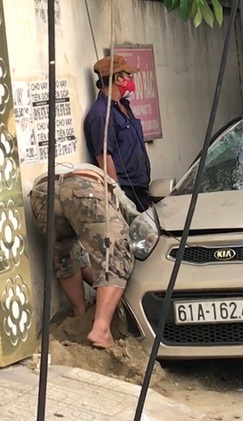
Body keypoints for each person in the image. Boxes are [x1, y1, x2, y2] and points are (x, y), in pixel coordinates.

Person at [29, 163, 137, 348]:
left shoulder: (72, 169)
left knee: (65, 255)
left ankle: (80, 313)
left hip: (42, 193)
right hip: (84, 187)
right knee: (117, 256)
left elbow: (81, 261)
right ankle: (101, 329)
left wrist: (99, 289)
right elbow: (131, 224)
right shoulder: (117, 196)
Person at [84, 54, 152, 212]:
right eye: (129, 76)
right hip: (126, 193)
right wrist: (119, 197)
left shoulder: (124, 107)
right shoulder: (101, 114)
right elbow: (104, 157)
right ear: (118, 78)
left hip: (140, 191)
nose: (131, 80)